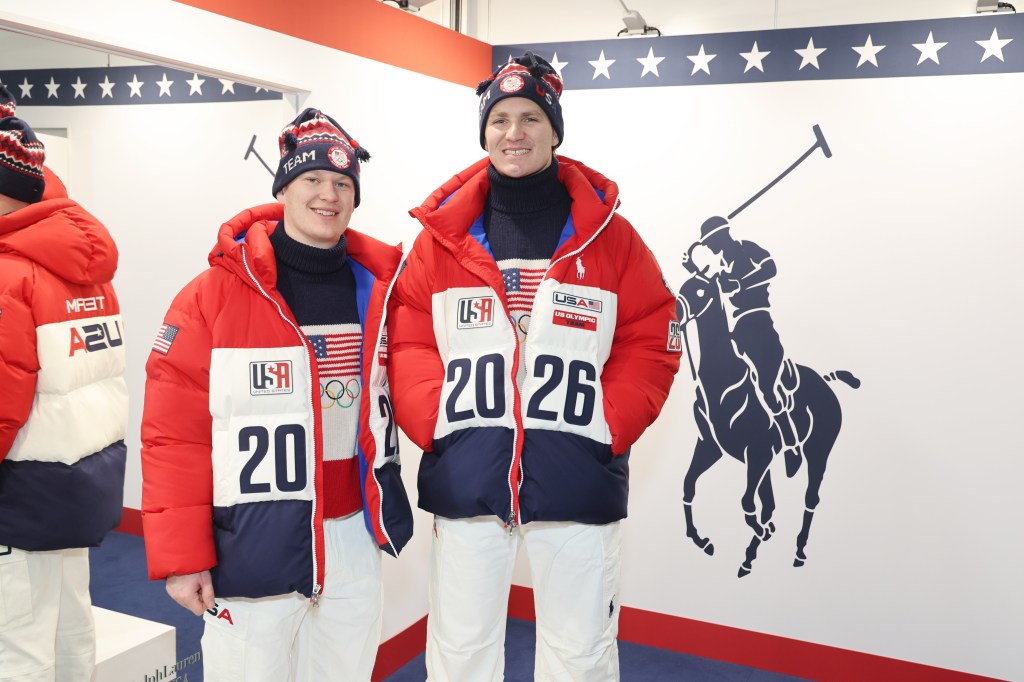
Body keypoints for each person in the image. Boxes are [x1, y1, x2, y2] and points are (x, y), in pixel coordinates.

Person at [387, 53, 681, 681]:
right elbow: (409, 341)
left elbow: (651, 338)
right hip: (469, 473)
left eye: (529, 118)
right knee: (461, 654)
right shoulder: (441, 238)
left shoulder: (609, 236)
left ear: (555, 130)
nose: (512, 132)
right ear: (484, 131)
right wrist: (436, 423)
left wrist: (607, 423)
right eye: (499, 119)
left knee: (579, 656)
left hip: (576, 474)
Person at [140, 108, 413, 682]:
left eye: (343, 183)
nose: (328, 194)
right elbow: (174, 437)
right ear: (284, 186)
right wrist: (183, 556)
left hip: (353, 534)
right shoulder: (212, 295)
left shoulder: (383, 291)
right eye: (312, 179)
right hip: (252, 537)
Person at [0, 84, 128, 681]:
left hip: (17, 497)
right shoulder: (81, 263)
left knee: (16, 650)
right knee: (69, 633)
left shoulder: (8, 270)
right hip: (73, 485)